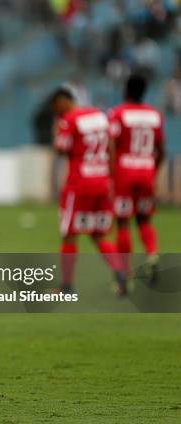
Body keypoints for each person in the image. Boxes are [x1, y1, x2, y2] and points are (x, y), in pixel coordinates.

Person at [51, 88, 127, 295]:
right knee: (99, 234)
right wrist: (110, 178)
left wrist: (57, 128)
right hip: (102, 183)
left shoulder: (69, 119)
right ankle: (120, 272)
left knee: (69, 235)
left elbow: (60, 148)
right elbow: (111, 147)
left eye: (55, 107)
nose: (56, 112)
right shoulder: (99, 116)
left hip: (79, 184)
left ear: (62, 101)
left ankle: (66, 286)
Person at [108, 75, 165, 281]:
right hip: (147, 172)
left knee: (123, 223)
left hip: (125, 173)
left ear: (126, 90)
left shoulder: (118, 113)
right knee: (144, 219)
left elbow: (112, 146)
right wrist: (152, 170)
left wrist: (111, 172)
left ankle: (126, 272)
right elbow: (161, 149)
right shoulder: (155, 115)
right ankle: (152, 254)